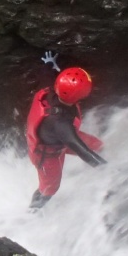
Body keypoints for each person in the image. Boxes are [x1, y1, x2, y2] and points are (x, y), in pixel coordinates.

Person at [26, 65, 106, 209]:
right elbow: (82, 150)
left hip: (56, 138)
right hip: (47, 154)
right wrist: (107, 168)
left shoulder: (51, 91)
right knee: (50, 188)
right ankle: (33, 211)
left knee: (97, 145)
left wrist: (50, 64)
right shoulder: (60, 124)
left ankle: (99, 171)